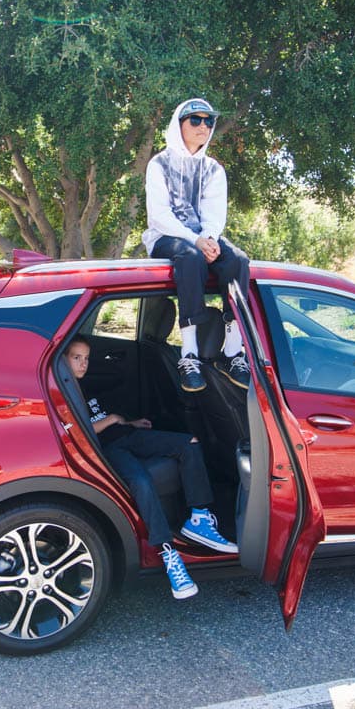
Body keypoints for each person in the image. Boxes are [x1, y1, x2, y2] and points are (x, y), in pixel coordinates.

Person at [65, 335, 237, 601]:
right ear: (63, 359)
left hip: (127, 435)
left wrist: (130, 422)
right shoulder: (62, 391)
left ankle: (199, 517)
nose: (83, 364)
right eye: (77, 357)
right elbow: (80, 431)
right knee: (141, 480)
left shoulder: (85, 386)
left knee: (188, 443)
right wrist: (111, 420)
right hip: (108, 450)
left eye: (86, 358)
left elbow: (108, 418)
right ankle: (169, 553)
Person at [143, 97, 250, 393]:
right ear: (179, 124)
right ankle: (189, 354)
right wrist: (197, 240)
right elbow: (160, 216)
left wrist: (211, 239)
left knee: (238, 260)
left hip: (204, 236)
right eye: (195, 120)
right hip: (167, 237)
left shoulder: (213, 169)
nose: (203, 126)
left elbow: (215, 215)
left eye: (209, 121)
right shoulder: (159, 164)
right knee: (189, 258)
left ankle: (232, 351)